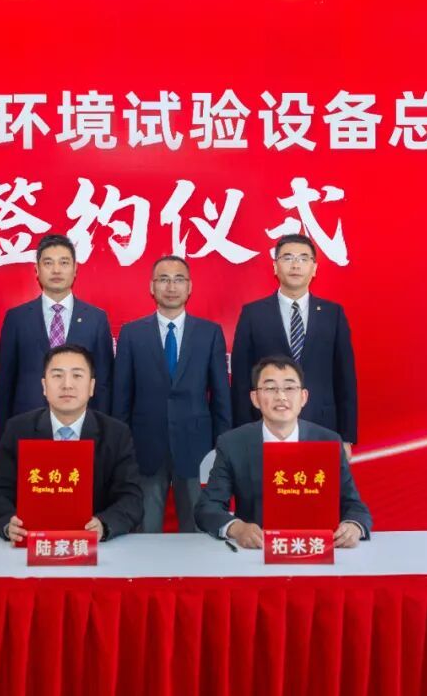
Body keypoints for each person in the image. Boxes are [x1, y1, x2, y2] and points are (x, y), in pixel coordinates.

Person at [195, 355, 371, 549]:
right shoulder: (233, 444)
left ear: (303, 397)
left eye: (289, 388)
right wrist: (237, 528)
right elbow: (207, 508)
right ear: (255, 398)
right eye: (270, 388)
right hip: (257, 552)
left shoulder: (328, 441)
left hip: (316, 550)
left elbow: (355, 506)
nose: (281, 396)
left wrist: (353, 526)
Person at [112, 256, 231, 532]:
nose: (171, 286)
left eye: (179, 279)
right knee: (145, 532)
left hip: (197, 447)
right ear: (151, 287)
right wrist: (122, 449)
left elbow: (221, 398)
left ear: (189, 287)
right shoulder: (131, 334)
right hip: (145, 449)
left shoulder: (209, 333)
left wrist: (222, 448)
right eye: (163, 279)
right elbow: (122, 398)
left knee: (198, 531)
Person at [0, 344, 142, 543]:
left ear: (91, 387)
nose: (67, 385)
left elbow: (131, 499)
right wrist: (8, 523)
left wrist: (104, 525)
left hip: (96, 549)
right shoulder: (18, 430)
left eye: (77, 375)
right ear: (44, 386)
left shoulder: (116, 434)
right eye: (57, 375)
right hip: (32, 544)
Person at [230, 233, 358, 458]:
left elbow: (345, 378)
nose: (296, 265)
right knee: (267, 483)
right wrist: (242, 435)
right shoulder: (253, 314)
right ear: (275, 266)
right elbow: (241, 381)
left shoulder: (333, 314)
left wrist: (346, 437)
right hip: (266, 429)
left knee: (318, 482)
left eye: (303, 258)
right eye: (288, 257)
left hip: (322, 428)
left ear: (314, 268)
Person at [0, 234, 114, 446]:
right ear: (37, 270)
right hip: (28, 427)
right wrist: (3, 439)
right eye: (48, 263)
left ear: (75, 269)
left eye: (64, 263)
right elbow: (6, 382)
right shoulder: (17, 318)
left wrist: (104, 436)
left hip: (82, 429)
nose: (56, 270)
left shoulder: (96, 319)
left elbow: (103, 383)